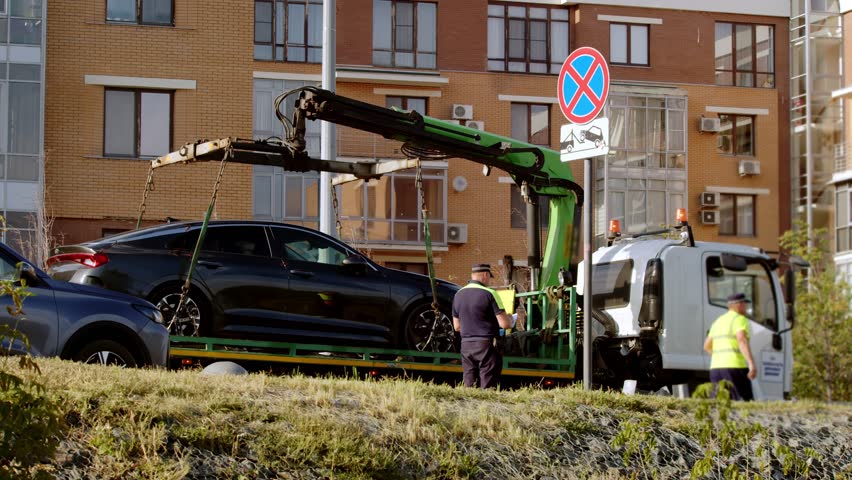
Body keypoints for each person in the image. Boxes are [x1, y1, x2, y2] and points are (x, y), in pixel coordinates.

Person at [452, 263, 514, 389]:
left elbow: (457, 326)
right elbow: (505, 324)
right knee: (488, 385)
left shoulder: (458, 294)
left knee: (469, 384)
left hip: (466, 344)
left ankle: (469, 406)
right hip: (486, 344)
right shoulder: (490, 293)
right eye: (489, 277)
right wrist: (509, 317)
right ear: (485, 275)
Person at [703, 292, 757, 401]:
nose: (746, 307)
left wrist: (720, 357)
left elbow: (707, 346)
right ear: (739, 305)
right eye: (745, 304)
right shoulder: (739, 319)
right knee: (744, 402)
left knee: (719, 403)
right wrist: (751, 364)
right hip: (735, 368)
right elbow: (741, 340)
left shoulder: (718, 322)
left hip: (716, 369)